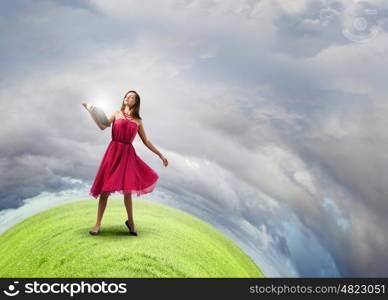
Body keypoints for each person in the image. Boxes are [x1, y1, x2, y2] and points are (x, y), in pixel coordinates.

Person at [82, 90, 168, 236]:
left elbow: (146, 141)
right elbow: (103, 126)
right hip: (113, 152)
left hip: (128, 155)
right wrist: (91, 111)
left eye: (132, 97)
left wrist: (160, 154)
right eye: (127, 96)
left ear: (136, 102)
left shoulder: (138, 121)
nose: (128, 98)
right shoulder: (116, 113)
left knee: (128, 191)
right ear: (124, 99)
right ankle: (97, 223)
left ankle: (131, 222)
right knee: (105, 190)